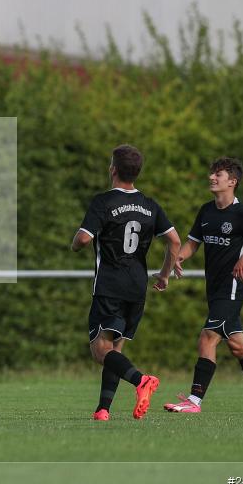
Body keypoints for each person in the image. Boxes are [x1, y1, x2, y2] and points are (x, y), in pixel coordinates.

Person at [163, 157, 243, 414]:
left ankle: (194, 401)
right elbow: (193, 242)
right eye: (212, 173)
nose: (212, 178)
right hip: (214, 288)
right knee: (238, 346)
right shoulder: (206, 211)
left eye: (218, 174)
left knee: (207, 339)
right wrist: (179, 257)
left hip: (231, 288)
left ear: (232, 181)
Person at [71, 144, 180, 421]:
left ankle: (141, 380)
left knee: (100, 351)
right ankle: (103, 409)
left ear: (113, 169)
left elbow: (83, 239)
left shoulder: (103, 202)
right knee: (115, 349)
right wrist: (165, 274)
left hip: (109, 285)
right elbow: (174, 241)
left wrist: (75, 243)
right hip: (137, 286)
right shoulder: (149, 205)